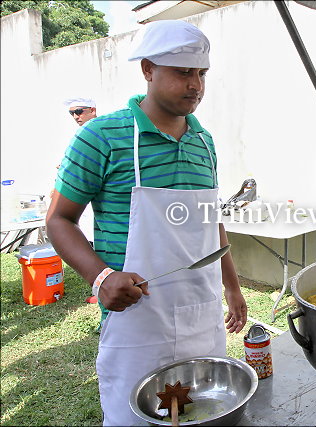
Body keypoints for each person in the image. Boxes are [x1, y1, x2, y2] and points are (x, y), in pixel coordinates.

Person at [46, 20, 247, 426]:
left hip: (200, 314)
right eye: (183, 72)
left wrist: (232, 286)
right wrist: (102, 277)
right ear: (148, 70)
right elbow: (59, 220)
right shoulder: (101, 136)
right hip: (135, 320)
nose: (195, 86)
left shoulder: (204, 142)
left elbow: (211, 222)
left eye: (201, 74)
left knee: (202, 414)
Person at [61, 97, 98, 303]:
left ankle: (101, 288)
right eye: (72, 113)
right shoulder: (81, 133)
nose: (76, 116)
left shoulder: (99, 132)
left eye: (79, 111)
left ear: (92, 109)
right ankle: (99, 287)